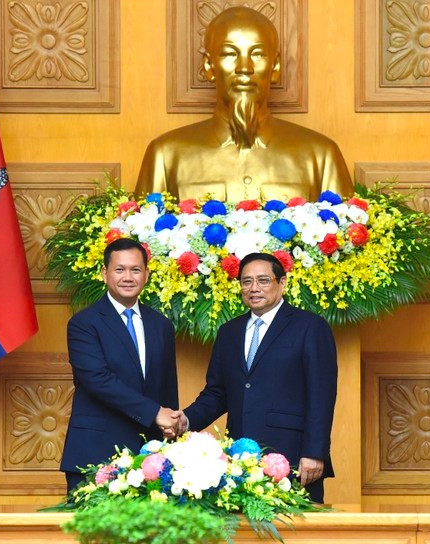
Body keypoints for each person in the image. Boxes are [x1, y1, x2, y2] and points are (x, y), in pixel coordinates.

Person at [135, 6, 352, 203]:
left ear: (275, 67)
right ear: (209, 66)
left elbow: (347, 240)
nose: (244, 68)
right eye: (230, 54)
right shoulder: (165, 155)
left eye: (257, 54)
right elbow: (140, 240)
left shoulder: (322, 155)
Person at [179, 253, 338, 503]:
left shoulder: (310, 327)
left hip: (293, 456)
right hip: (239, 460)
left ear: (282, 282)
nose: (254, 288)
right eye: (246, 281)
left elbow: (322, 395)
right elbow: (217, 393)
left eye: (263, 280)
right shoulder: (229, 332)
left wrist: (314, 452)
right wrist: (185, 420)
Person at [60, 238, 182, 493]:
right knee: (92, 534)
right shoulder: (84, 324)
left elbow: (167, 389)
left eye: (135, 270)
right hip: (96, 454)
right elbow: (98, 380)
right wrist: (154, 412)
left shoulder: (161, 325)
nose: (128, 277)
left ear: (146, 275)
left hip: (151, 458)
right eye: (120, 269)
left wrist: (171, 429)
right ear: (105, 274)